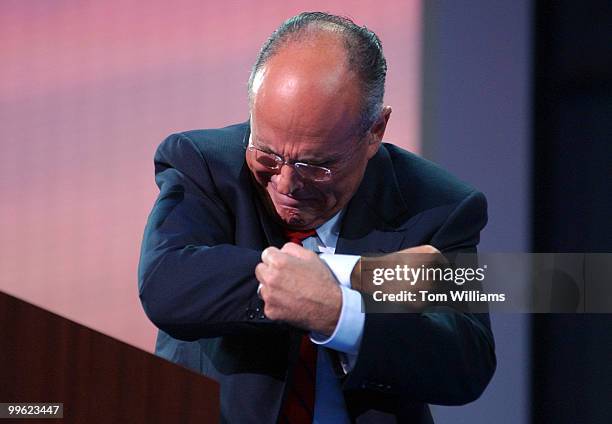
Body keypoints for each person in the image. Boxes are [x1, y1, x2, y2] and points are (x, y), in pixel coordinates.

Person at [138, 12, 495, 424]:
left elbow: (467, 361)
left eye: (317, 164)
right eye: (267, 154)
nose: (287, 182)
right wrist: (360, 277)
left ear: (375, 131)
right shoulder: (204, 163)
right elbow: (168, 282)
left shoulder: (440, 205)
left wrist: (341, 314)